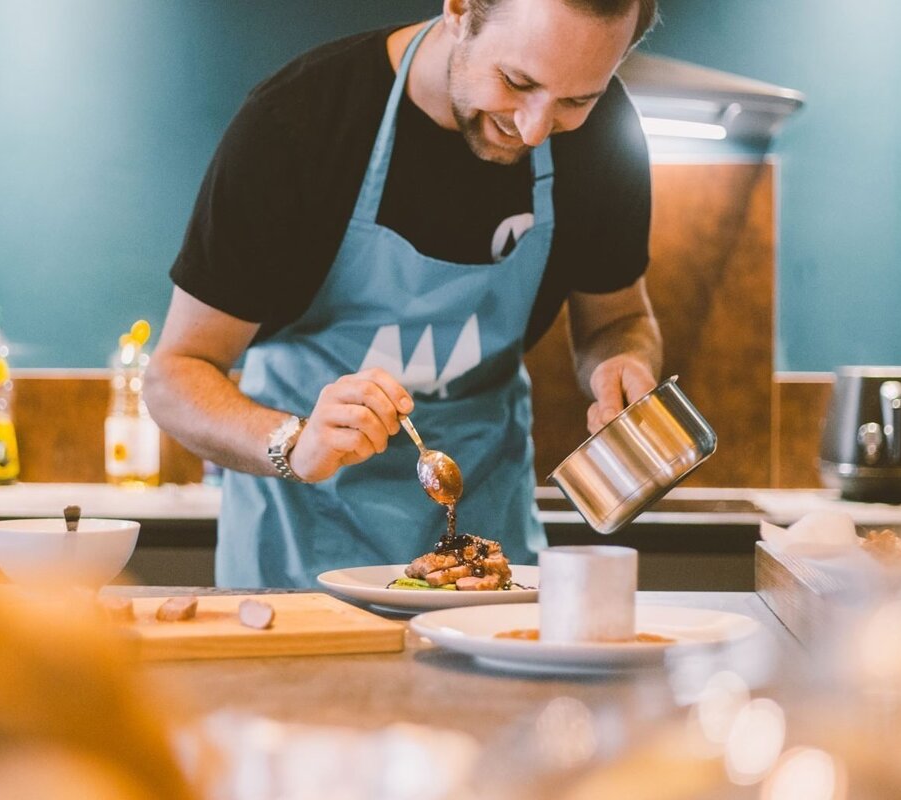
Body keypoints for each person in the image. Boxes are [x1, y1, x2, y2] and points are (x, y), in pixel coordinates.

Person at [145, 0, 663, 588]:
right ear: (460, 9)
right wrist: (295, 442)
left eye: (577, 101)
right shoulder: (298, 123)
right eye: (516, 82)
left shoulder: (603, 139)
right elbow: (174, 376)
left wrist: (622, 364)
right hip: (299, 563)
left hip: (488, 568)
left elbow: (616, 319)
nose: (535, 127)